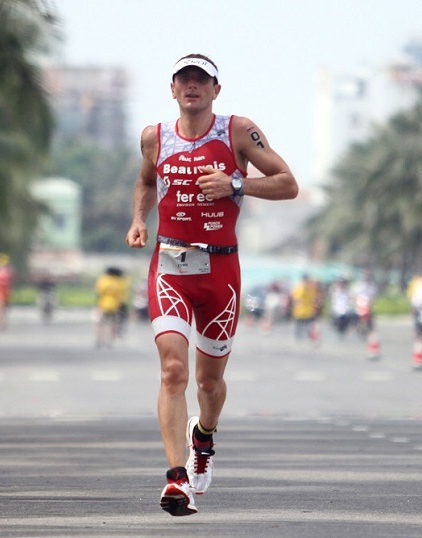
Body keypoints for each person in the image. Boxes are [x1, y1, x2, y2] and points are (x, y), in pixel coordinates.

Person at [126, 53, 298, 516]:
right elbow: (145, 181)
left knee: (209, 382)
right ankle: (176, 478)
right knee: (173, 372)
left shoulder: (237, 131)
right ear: (173, 87)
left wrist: (236, 184)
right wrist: (140, 219)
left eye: (202, 80)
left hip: (220, 272)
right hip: (169, 266)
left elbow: (288, 184)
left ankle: (204, 436)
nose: (192, 87)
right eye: (185, 79)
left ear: (216, 90)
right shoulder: (154, 137)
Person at [94, 267, 129, 348]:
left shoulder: (103, 280)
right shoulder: (119, 281)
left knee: (100, 324)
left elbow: (98, 292)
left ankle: (99, 339)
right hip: (115, 305)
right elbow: (122, 295)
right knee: (112, 324)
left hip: (103, 304)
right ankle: (110, 341)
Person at [291, 274, 318, 342]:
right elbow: (296, 298)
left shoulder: (310, 288)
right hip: (300, 310)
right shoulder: (299, 287)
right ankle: (298, 337)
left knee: (309, 325)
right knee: (299, 325)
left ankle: (311, 338)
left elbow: (313, 298)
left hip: (308, 310)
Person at [0, 253, 14, 330]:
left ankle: (2, 322)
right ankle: (0, 323)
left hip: (6, 292)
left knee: (4, 308)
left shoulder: (9, 270)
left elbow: (11, 281)